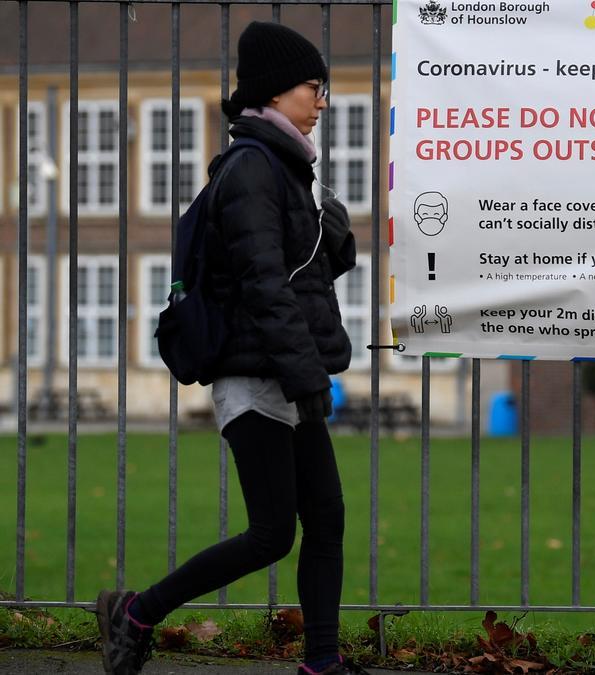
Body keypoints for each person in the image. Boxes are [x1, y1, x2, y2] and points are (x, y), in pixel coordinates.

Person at [95, 21, 366, 675]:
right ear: (277, 92)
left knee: (325, 517)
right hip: (255, 377)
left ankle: (322, 662)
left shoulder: (288, 167)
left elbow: (303, 278)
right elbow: (263, 285)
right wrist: (307, 378)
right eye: (313, 86)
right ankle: (135, 613)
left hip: (288, 369)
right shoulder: (251, 170)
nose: (323, 100)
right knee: (273, 532)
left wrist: (336, 232)